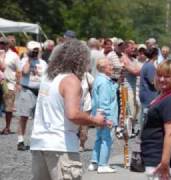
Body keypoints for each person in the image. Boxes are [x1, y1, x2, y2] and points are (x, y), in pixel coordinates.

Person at [30, 39, 106, 180]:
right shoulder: (71, 80)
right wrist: (96, 120)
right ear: (80, 60)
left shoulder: (47, 77)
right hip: (61, 145)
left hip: (39, 143)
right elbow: (73, 114)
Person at [141, 60, 171, 180]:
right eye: (159, 75)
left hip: (161, 158)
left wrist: (165, 162)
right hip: (154, 154)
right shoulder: (162, 95)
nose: (161, 79)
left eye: (167, 76)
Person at [88, 57, 118, 173]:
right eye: (110, 65)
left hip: (98, 114)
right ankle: (103, 164)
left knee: (99, 138)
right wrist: (107, 118)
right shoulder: (104, 82)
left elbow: (106, 95)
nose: (112, 67)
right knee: (107, 139)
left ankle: (94, 162)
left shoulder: (100, 80)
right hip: (106, 115)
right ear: (104, 68)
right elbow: (104, 102)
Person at [16, 41, 48, 151]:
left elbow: (46, 77)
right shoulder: (24, 60)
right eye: (33, 51)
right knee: (23, 116)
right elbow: (24, 72)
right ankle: (20, 140)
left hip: (40, 91)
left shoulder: (43, 63)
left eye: (36, 51)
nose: (35, 53)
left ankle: (36, 140)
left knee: (39, 118)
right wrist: (29, 59)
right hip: (27, 90)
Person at [0, 37, 20, 135]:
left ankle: (7, 127)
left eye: (3, 43)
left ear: (8, 45)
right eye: (0, 43)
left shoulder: (14, 56)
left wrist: (18, 83)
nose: (1, 45)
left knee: (8, 107)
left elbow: (19, 70)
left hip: (9, 84)